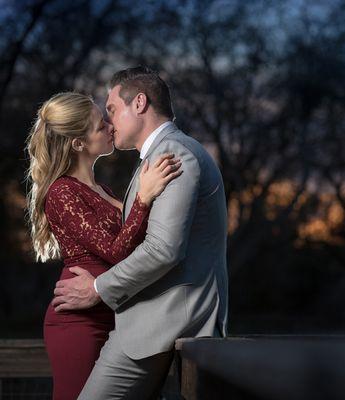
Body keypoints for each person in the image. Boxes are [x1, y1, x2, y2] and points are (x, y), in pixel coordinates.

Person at [52, 66, 229, 399]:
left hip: (161, 321)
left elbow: (163, 250)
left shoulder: (174, 155)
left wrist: (97, 289)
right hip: (150, 319)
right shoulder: (161, 156)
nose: (109, 121)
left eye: (112, 110)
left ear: (140, 104)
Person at [25, 91, 183, 399]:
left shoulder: (101, 188)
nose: (111, 126)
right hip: (80, 321)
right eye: (100, 125)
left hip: (115, 310)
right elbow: (116, 250)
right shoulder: (62, 193)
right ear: (78, 144)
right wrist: (143, 198)